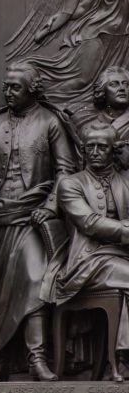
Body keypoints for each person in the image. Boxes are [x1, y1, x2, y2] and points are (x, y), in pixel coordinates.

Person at [0, 63, 76, 381]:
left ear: (32, 89)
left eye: (16, 87)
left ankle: (37, 357)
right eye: (6, 86)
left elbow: (65, 171)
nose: (8, 92)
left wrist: (51, 205)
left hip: (32, 220)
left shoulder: (50, 122)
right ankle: (0, 360)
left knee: (34, 278)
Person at [56, 121, 129, 382]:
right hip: (87, 262)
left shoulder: (125, 181)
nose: (95, 151)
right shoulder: (70, 184)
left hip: (120, 255)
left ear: (114, 150)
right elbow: (89, 223)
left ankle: (122, 357)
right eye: (90, 147)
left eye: (102, 147)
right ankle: (124, 358)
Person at [71, 66, 129, 168]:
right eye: (114, 84)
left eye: (126, 84)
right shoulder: (85, 120)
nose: (122, 88)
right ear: (103, 90)